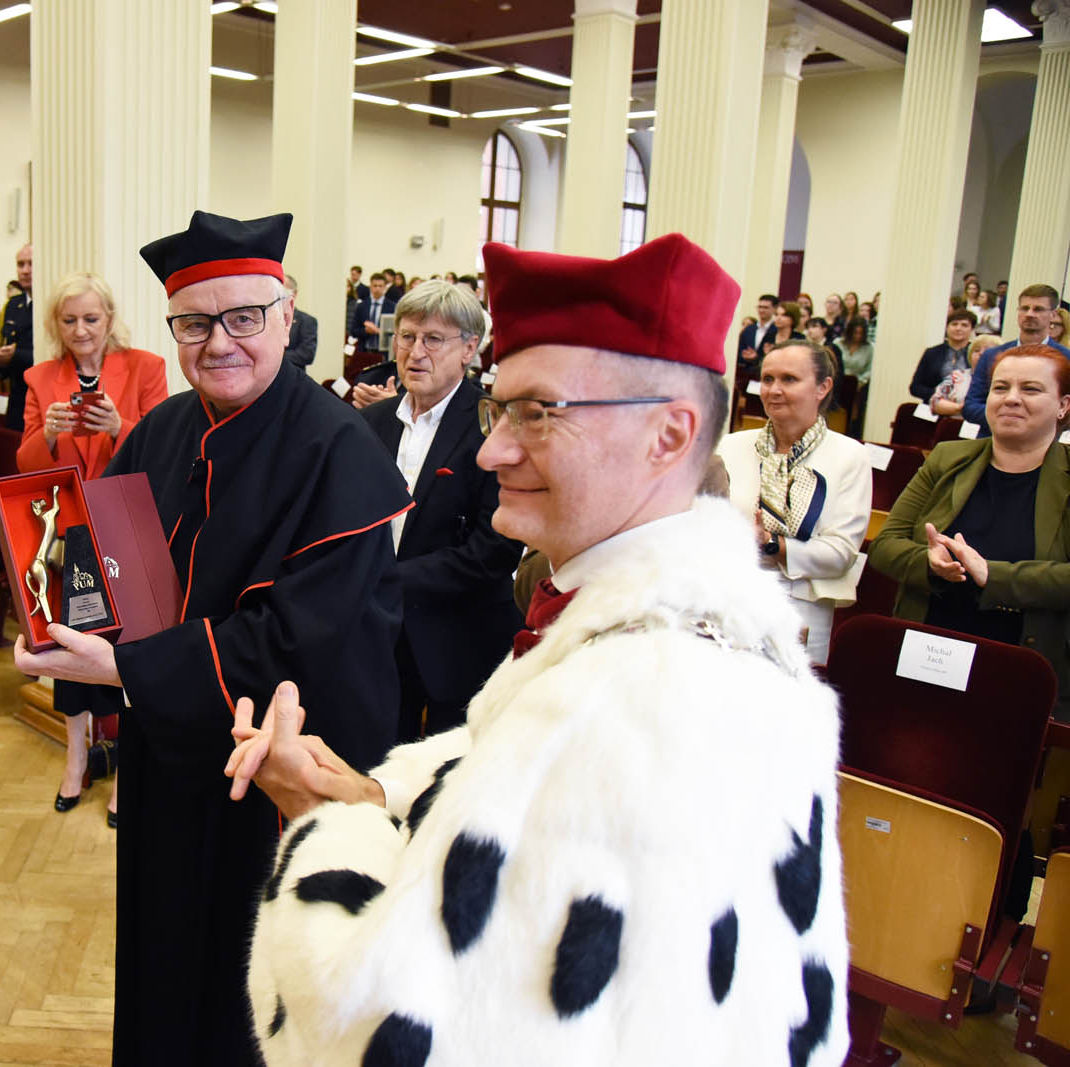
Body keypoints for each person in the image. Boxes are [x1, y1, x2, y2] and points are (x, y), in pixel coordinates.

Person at [230, 234, 848, 1066]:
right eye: (500, 410)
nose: (492, 451)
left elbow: (383, 1028)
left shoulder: (636, 695)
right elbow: (517, 777)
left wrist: (327, 828)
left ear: (669, 434)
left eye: (539, 412)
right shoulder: (687, 624)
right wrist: (379, 791)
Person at [14, 210, 411, 1067]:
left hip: (280, 768)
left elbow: (295, 644)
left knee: (252, 992)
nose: (219, 342)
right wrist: (56, 619)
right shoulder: (161, 430)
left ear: (287, 314)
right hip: (171, 750)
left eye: (244, 316)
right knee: (163, 954)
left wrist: (126, 667)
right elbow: (100, 563)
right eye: (194, 323)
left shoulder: (338, 448)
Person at [17, 271, 168, 823]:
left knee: (126, 653)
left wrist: (120, 426)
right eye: (69, 320)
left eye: (90, 318)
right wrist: (50, 434)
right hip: (67, 533)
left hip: (125, 527)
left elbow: (165, 448)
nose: (80, 329)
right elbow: (25, 465)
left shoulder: (146, 367)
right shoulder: (40, 377)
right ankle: (76, 758)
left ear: (109, 319)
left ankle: (127, 769)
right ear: (55, 324)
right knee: (69, 649)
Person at [357, 279, 523, 740]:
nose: (415, 353)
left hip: (460, 639)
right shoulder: (370, 423)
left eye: (433, 339)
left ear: (470, 348)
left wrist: (386, 579)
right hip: (379, 637)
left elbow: (495, 550)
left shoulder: (492, 426)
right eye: (407, 336)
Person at [870, 344, 1070, 722]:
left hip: (1022, 669)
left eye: (1030, 389)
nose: (1011, 399)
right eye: (1000, 388)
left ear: (1063, 406)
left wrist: (992, 575)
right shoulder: (947, 458)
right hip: (928, 656)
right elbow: (885, 546)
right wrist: (929, 563)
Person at [718, 340, 873, 664]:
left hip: (802, 609)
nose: (774, 390)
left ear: (822, 387)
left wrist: (772, 545)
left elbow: (841, 553)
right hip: (726, 599)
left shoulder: (850, 456)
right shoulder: (730, 446)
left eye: (789, 379)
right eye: (768, 379)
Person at [961, 284, 1070, 435]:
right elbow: (971, 407)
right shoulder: (991, 356)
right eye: (1024, 308)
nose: (1030, 314)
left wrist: (1029, 419)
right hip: (992, 439)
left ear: (1053, 314)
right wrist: (1009, 417)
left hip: (1044, 442)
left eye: (1038, 309)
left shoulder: (1066, 359)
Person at [0, 243, 34, 430]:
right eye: (20, 264)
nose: (25, 271)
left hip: (41, 397)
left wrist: (16, 355)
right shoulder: (13, 305)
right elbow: (5, 343)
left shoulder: (51, 303)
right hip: (17, 398)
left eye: (31, 264)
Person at [909, 309, 976, 403]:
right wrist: (939, 395)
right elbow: (915, 387)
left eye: (964, 325)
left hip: (965, 407)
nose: (958, 328)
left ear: (972, 330)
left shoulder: (977, 354)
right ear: (947, 327)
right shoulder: (932, 353)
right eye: (954, 324)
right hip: (932, 406)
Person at [931, 333, 999, 417]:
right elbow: (934, 402)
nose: (981, 353)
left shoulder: (1003, 379)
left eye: (988, 351)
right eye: (977, 350)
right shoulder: (956, 376)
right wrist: (960, 408)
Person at [348, 272, 397, 365]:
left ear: (385, 287)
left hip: (383, 353)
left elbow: (396, 333)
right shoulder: (362, 306)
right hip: (365, 352)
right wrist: (366, 331)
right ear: (370, 287)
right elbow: (353, 330)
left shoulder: (392, 307)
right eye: (375, 286)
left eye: (380, 286)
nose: (377, 289)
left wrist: (378, 331)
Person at [735, 293, 777, 374]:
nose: (761, 310)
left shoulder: (777, 330)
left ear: (774, 309)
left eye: (765, 308)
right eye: (759, 307)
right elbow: (740, 351)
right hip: (746, 372)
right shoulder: (749, 329)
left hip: (767, 371)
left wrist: (756, 358)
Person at [282, 274, 317, 371]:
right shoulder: (267, 318)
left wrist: (275, 356)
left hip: (292, 374)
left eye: (281, 290)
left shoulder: (307, 321)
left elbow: (307, 354)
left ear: (294, 294)